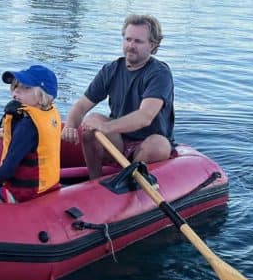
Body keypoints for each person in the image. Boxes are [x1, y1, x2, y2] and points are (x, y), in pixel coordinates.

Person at [61, 14, 174, 179]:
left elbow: (145, 116)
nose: (131, 45)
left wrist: (107, 127)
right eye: (128, 39)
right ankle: (95, 183)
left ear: (152, 45)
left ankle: (130, 184)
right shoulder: (111, 70)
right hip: (118, 141)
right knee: (92, 120)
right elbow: (82, 106)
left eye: (138, 41)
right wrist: (70, 125)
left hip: (148, 142)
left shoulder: (159, 73)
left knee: (159, 145)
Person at [0, 65, 62, 204]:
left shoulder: (27, 126)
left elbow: (8, 169)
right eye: (16, 87)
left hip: (27, 193)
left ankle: (9, 215)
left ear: (42, 94)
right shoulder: (49, 113)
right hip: (47, 186)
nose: (16, 93)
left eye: (26, 88)